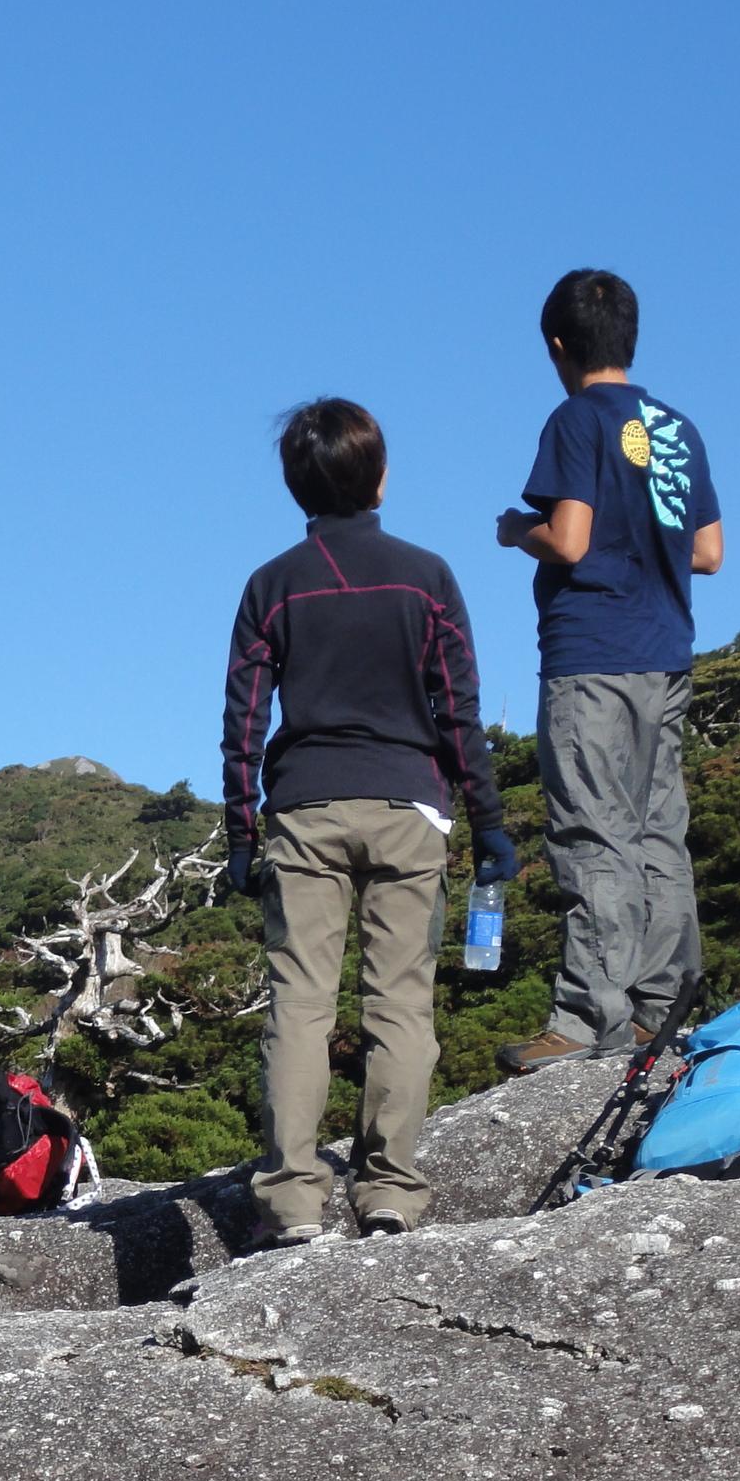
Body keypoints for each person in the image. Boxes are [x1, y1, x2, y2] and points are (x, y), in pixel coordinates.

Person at [221, 399, 515, 1247]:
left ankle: (293, 1201)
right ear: (380, 476)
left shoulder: (271, 584)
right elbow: (459, 712)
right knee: (401, 1002)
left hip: (305, 807)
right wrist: (490, 822)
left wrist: (243, 832)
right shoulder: (428, 577)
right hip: (408, 807)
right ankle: (388, 1190)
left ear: (293, 486)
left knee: (300, 1005)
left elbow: (243, 719)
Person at [494, 269, 724, 1072]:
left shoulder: (575, 420)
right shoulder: (676, 428)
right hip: (666, 652)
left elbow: (570, 539)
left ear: (557, 345)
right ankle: (660, 1009)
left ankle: (589, 1014)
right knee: (660, 830)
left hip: (593, 653)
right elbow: (709, 552)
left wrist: (516, 529)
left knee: (593, 831)